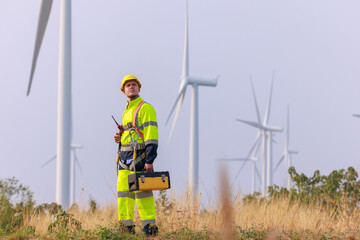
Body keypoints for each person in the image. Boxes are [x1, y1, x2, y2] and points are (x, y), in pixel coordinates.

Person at [114, 74, 159, 236]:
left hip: (139, 157)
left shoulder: (145, 108)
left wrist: (149, 160)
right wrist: (120, 137)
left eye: (134, 84)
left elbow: (151, 136)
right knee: (123, 193)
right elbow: (132, 133)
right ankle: (126, 227)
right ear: (123, 91)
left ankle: (149, 228)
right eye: (127, 85)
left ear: (139, 88)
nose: (131, 87)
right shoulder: (127, 110)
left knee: (143, 193)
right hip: (124, 157)